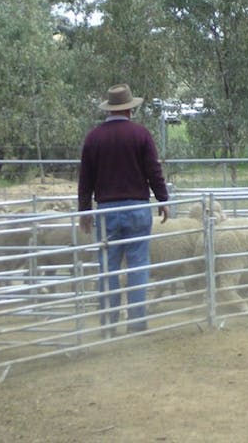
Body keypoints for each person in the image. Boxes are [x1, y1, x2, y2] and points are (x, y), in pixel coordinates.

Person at [78, 83, 169, 335]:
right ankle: (137, 323)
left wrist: (84, 211)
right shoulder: (141, 135)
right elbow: (154, 171)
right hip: (137, 208)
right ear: (130, 110)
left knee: (108, 268)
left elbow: (85, 179)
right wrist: (163, 200)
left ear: (109, 109)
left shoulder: (93, 138)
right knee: (138, 266)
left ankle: (108, 324)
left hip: (106, 211)